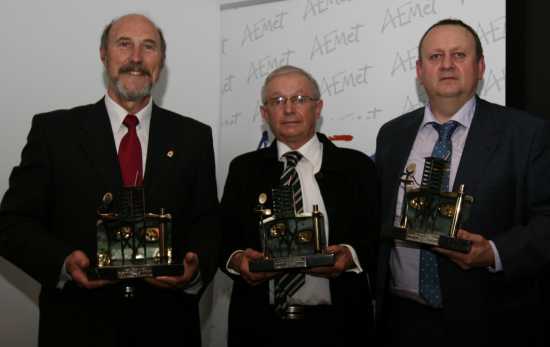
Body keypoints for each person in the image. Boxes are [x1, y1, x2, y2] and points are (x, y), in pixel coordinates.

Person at [0, 13, 219, 347]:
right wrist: (62, 262)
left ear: (162, 60)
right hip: (77, 327)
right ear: (104, 54)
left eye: (149, 46)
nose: (135, 58)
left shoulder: (194, 137)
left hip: (168, 328)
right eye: (124, 44)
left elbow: (207, 222)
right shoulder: (54, 132)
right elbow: (12, 223)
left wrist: (196, 267)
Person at [375, 18, 550, 346]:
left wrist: (494, 252)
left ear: (481, 66)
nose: (446, 65)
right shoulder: (391, 135)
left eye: (459, 55)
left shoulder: (526, 134)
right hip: (401, 322)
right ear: (419, 70)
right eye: (435, 56)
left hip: (489, 321)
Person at [220, 65, 379, 347]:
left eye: (300, 99)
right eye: (278, 101)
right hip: (259, 326)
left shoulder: (357, 168)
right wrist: (238, 260)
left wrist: (349, 256)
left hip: (339, 326)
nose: (289, 109)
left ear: (318, 108)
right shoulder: (244, 170)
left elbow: (376, 237)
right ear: (264, 113)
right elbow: (223, 239)